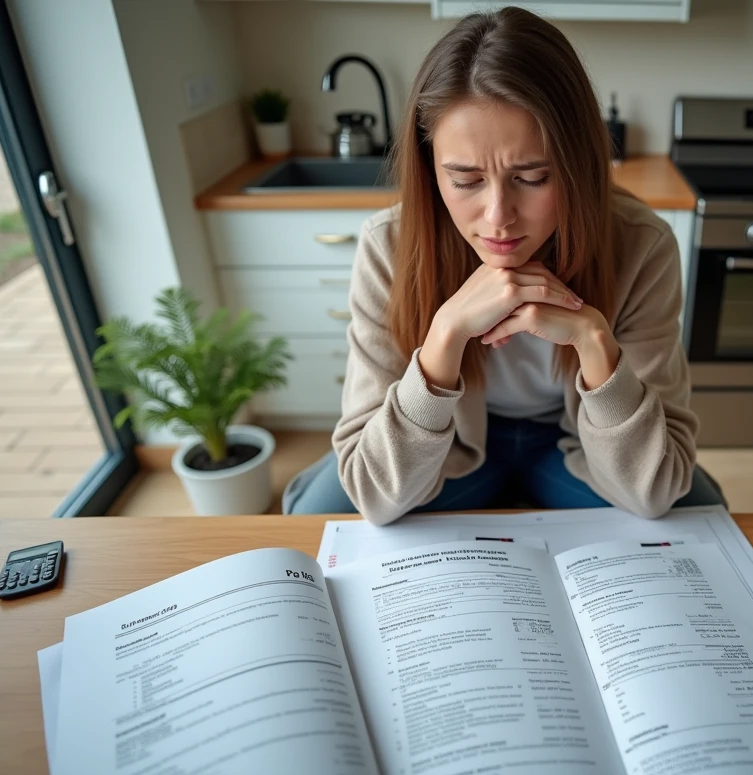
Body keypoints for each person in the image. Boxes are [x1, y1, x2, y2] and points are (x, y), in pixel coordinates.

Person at [283, 6, 725, 524]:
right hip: (450, 445)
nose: (498, 218)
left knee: (700, 511)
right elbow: (376, 497)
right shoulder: (390, 247)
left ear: (577, 163)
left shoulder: (641, 244)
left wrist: (596, 347)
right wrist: (443, 342)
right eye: (466, 181)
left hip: (575, 446)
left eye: (533, 177)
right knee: (316, 514)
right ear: (430, 172)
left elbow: (652, 491)